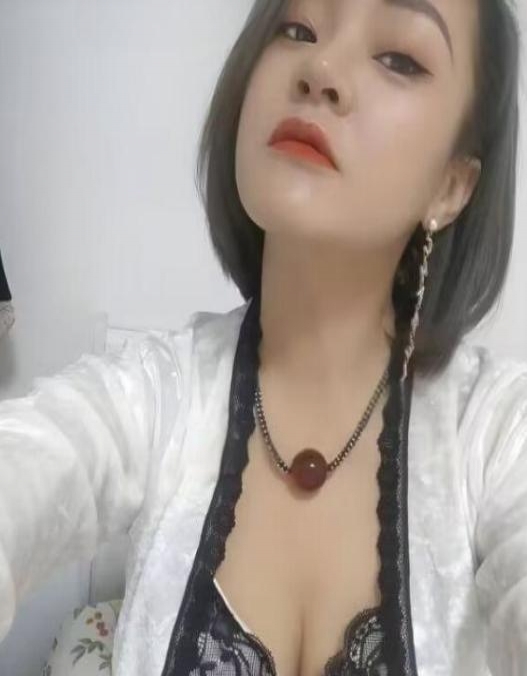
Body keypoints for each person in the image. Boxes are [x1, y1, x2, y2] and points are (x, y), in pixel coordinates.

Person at [0, 0, 525, 674]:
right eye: (297, 29)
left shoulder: (495, 436)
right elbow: (32, 462)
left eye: (398, 58)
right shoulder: (153, 397)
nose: (320, 68)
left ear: (452, 186)